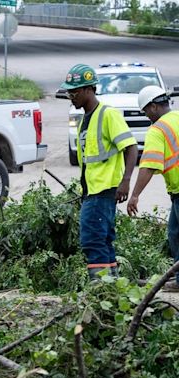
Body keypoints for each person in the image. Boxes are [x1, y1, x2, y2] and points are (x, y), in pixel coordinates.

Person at [61, 64, 138, 279]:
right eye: (68, 92)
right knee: (103, 240)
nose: (71, 96)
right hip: (92, 193)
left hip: (103, 191)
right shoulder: (84, 120)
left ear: (88, 89)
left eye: (74, 91)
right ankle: (111, 288)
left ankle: (100, 288)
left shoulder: (107, 115)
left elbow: (131, 147)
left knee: (92, 240)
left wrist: (126, 181)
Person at [127, 85, 179, 291]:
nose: (146, 115)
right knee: (174, 233)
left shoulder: (157, 130)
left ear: (154, 107)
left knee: (176, 234)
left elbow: (149, 165)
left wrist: (135, 195)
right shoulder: (177, 118)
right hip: (176, 192)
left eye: (145, 110)